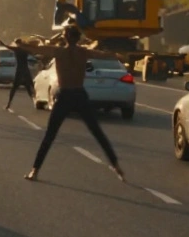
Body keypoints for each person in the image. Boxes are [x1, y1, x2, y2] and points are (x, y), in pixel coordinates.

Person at [16, 27, 124, 182]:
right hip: (80, 95)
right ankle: (116, 166)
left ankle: (35, 170)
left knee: (50, 135)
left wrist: (21, 43)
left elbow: (35, 48)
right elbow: (105, 55)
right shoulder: (83, 52)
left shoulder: (59, 52)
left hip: (65, 95)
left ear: (66, 37)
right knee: (97, 132)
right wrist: (118, 56)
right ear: (78, 38)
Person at [0, 38, 36, 111]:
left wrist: (2, 44)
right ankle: (35, 102)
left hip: (20, 71)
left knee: (14, 88)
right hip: (26, 70)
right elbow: (33, 52)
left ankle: (8, 104)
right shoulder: (25, 50)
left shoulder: (18, 49)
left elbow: (8, 46)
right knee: (29, 87)